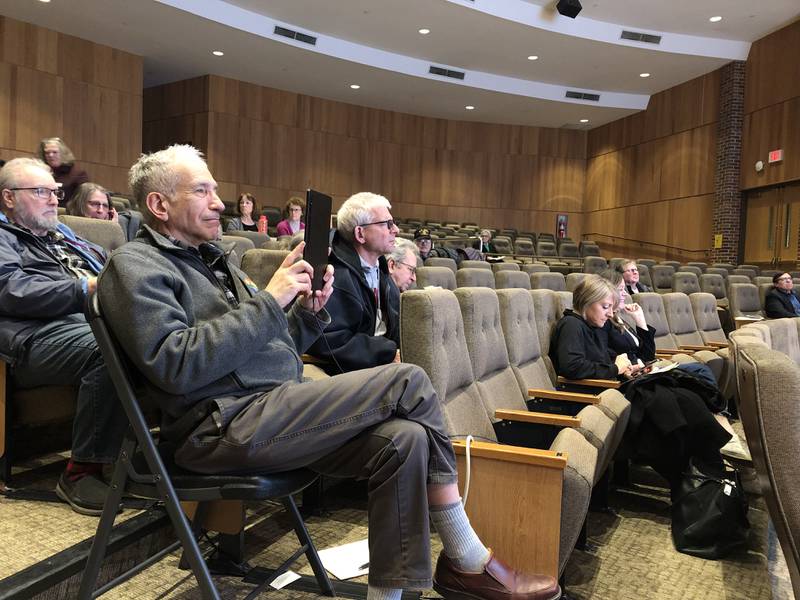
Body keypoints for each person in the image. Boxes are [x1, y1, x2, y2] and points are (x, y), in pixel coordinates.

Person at [97, 145, 559, 600]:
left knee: (406, 440)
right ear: (159, 204)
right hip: (218, 427)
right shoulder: (135, 265)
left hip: (272, 410)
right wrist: (269, 300)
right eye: (203, 191)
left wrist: (309, 317)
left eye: (216, 190)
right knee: (409, 378)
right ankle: (467, 558)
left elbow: (274, 350)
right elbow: (176, 366)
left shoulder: (216, 262)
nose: (220, 202)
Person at [0, 158, 126, 515]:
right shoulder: (3, 236)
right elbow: (9, 290)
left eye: (55, 191)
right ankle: (80, 471)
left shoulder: (63, 237)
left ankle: (151, 455)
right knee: (109, 349)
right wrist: (84, 288)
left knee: (168, 335)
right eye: (41, 192)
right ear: (9, 198)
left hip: (89, 321)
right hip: (33, 336)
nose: (54, 199)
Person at [550, 274, 733, 488]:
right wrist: (615, 368)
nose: (610, 313)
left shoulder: (593, 326)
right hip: (590, 395)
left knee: (685, 397)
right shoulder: (571, 325)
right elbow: (571, 367)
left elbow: (601, 358)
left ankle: (705, 465)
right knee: (669, 403)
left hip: (611, 386)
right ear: (587, 302)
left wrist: (625, 368)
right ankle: (692, 472)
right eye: (605, 307)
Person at [306, 192, 401, 372]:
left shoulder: (381, 269)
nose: (395, 229)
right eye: (387, 224)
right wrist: (387, 351)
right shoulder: (335, 275)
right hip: (350, 372)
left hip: (380, 365)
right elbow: (331, 340)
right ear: (360, 233)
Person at [38, 137, 89, 206]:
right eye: (47, 153)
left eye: (54, 152)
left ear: (63, 153)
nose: (50, 155)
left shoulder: (78, 174)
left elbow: (83, 200)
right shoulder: (40, 172)